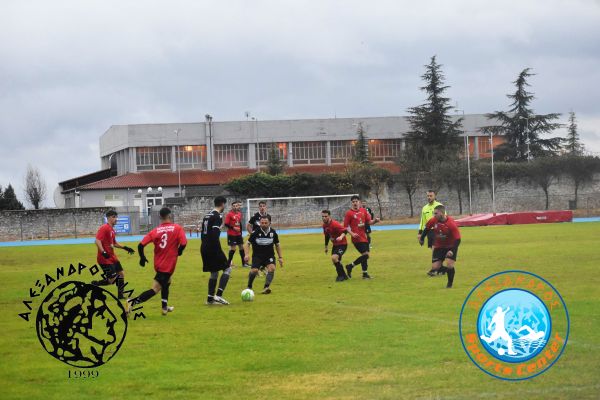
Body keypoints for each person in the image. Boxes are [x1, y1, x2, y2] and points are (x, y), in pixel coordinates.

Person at [126, 207, 187, 316]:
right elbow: (183, 243)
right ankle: (132, 302)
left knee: (167, 282)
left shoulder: (155, 231)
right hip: (167, 266)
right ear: (169, 215)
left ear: (160, 217)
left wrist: (142, 258)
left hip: (159, 264)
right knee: (155, 289)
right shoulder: (177, 228)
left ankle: (164, 308)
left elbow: (140, 245)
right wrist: (179, 251)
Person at [92, 210, 135, 299]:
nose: (116, 219)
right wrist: (103, 252)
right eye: (114, 217)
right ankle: (95, 284)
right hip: (104, 259)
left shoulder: (112, 230)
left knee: (121, 274)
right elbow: (97, 240)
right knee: (112, 280)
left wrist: (125, 248)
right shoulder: (104, 228)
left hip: (112, 257)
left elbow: (114, 243)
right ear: (108, 218)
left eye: (116, 217)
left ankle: (120, 296)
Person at [419, 205, 461, 288]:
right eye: (433, 213)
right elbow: (427, 228)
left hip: (450, 246)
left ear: (441, 213)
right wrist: (422, 238)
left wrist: (452, 250)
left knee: (450, 265)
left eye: (436, 213)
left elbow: (458, 239)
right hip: (439, 246)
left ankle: (449, 284)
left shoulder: (451, 223)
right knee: (435, 267)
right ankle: (448, 271)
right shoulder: (433, 220)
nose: (434, 215)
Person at [201, 196, 231, 305]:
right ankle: (218, 295)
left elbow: (203, 233)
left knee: (214, 272)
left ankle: (210, 299)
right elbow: (214, 235)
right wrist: (219, 251)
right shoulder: (217, 216)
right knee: (227, 269)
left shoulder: (207, 215)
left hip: (204, 247)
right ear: (222, 204)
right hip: (213, 247)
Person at [243, 216, 283, 294]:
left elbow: (277, 245)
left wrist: (280, 257)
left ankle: (266, 287)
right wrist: (246, 255)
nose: (263, 224)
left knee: (272, 268)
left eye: (265, 223)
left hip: (269, 256)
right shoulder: (255, 232)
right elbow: (247, 244)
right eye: (262, 223)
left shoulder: (273, 232)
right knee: (254, 271)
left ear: (270, 223)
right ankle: (249, 286)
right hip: (257, 256)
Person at [344, 195, 380, 279]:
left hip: (364, 237)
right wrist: (352, 233)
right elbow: (345, 227)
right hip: (356, 238)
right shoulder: (349, 213)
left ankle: (364, 274)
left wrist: (375, 221)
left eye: (356, 201)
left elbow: (369, 222)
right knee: (366, 255)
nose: (355, 203)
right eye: (353, 202)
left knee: (365, 256)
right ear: (351, 203)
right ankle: (350, 266)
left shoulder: (363, 211)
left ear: (359, 202)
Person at [417, 190, 444, 276]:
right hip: (429, 232)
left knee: (434, 250)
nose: (429, 197)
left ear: (435, 196)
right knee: (434, 250)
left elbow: (445, 218)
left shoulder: (439, 206)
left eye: (431, 196)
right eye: (428, 196)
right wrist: (420, 233)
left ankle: (434, 270)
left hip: (438, 231)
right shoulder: (424, 208)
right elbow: (422, 221)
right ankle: (441, 268)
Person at [322, 210, 348, 282]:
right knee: (335, 261)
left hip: (342, 244)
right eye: (322, 216)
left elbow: (345, 231)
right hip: (335, 245)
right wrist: (326, 246)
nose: (324, 218)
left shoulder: (335, 224)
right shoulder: (324, 225)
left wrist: (341, 237)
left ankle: (340, 276)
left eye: (325, 216)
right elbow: (327, 236)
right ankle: (344, 275)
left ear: (329, 216)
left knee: (334, 258)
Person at [224, 200, 249, 268]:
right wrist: (233, 228)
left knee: (241, 247)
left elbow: (239, 224)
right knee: (233, 249)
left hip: (238, 234)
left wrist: (241, 233)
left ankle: (244, 263)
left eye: (236, 206)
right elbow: (226, 224)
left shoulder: (239, 214)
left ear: (238, 206)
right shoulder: (229, 214)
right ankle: (228, 264)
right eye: (234, 206)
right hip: (231, 234)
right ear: (232, 207)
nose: (235, 207)